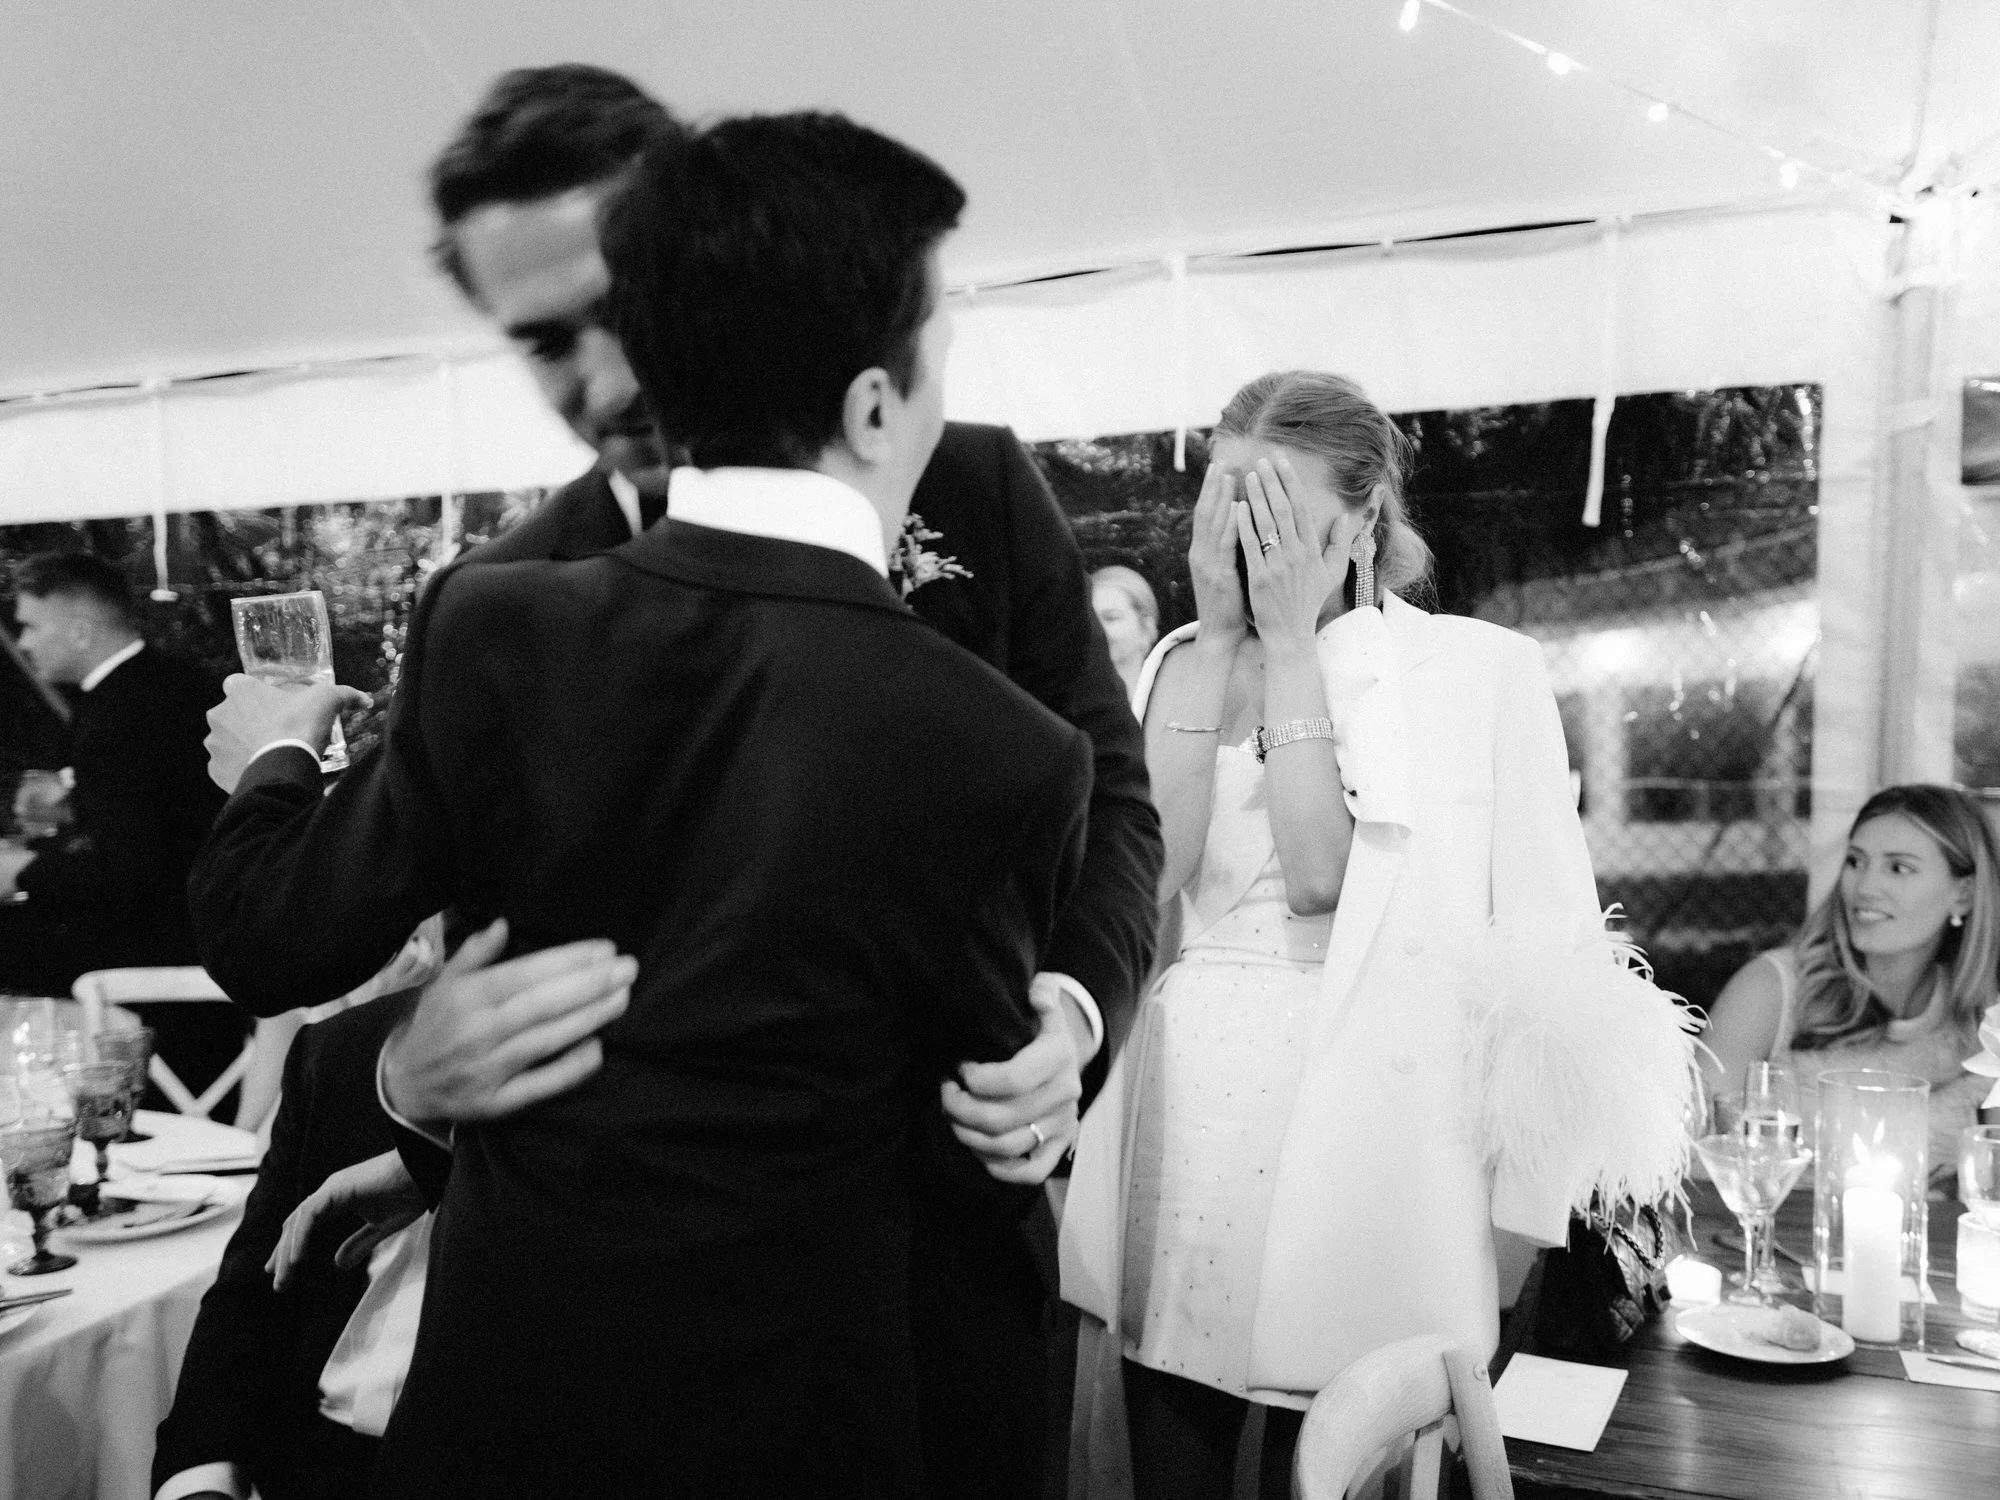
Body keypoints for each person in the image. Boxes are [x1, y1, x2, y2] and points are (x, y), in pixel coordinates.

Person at [191, 64, 1160, 1498]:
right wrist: (411, 1077)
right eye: (544, 343)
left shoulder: (977, 487)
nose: (605, 379)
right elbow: (391, 931)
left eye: (617, 303)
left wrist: (1072, 1017)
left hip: (927, 1315)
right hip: (600, 1355)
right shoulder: (501, 592)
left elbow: (1117, 805)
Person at [1059, 371, 1606, 1500]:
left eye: (1277, 515)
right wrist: (1215, 639)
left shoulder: (1475, 670)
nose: (1247, 541)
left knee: (1337, 1461)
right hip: (1189, 1127)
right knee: (1172, 1457)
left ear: (1361, 520)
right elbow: (1147, 876)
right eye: (1223, 506)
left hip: (1370, 1133)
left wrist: (1517, 1232)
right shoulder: (1175, 658)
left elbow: (1324, 880)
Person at [152, 928, 623, 1500]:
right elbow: (249, 1300)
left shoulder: (629, 1088)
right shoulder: (340, 1051)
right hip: (316, 1459)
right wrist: (199, 1484)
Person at [1703, 783, 2000, 1171]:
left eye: (1898, 868)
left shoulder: (1987, 1013)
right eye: (1856, 861)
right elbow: (1692, 1148)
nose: (1864, 887)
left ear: (1963, 895)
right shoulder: (1773, 988)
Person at [0, 553, 225, 1006]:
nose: (23, 643)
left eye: (31, 627)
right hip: (213, 918)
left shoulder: (117, 717)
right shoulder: (176, 680)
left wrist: (23, 871)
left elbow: (131, 869)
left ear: (80, 631)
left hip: (164, 940)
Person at [1091, 564, 1159, 702]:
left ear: (1147, 627)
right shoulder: (1065, 711)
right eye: (1090, 618)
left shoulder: (1174, 703)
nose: (1096, 628)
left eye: (1110, 618)